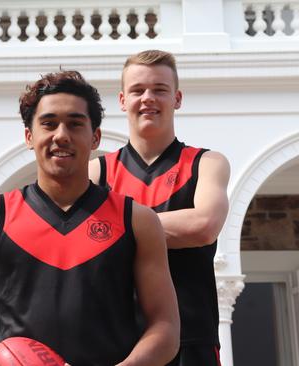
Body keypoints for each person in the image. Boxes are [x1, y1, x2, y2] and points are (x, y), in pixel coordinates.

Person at [0, 71, 179, 365]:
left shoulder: (137, 220)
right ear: (29, 136)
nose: (61, 135)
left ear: (95, 137)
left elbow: (166, 327)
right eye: (49, 123)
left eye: (75, 124)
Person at [89, 50, 230, 366]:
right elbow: (81, 242)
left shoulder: (206, 163)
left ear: (177, 98)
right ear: (123, 100)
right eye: (138, 90)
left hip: (191, 338)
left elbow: (204, 225)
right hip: (117, 340)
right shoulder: (97, 172)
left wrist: (113, 228)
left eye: (159, 89)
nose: (148, 98)